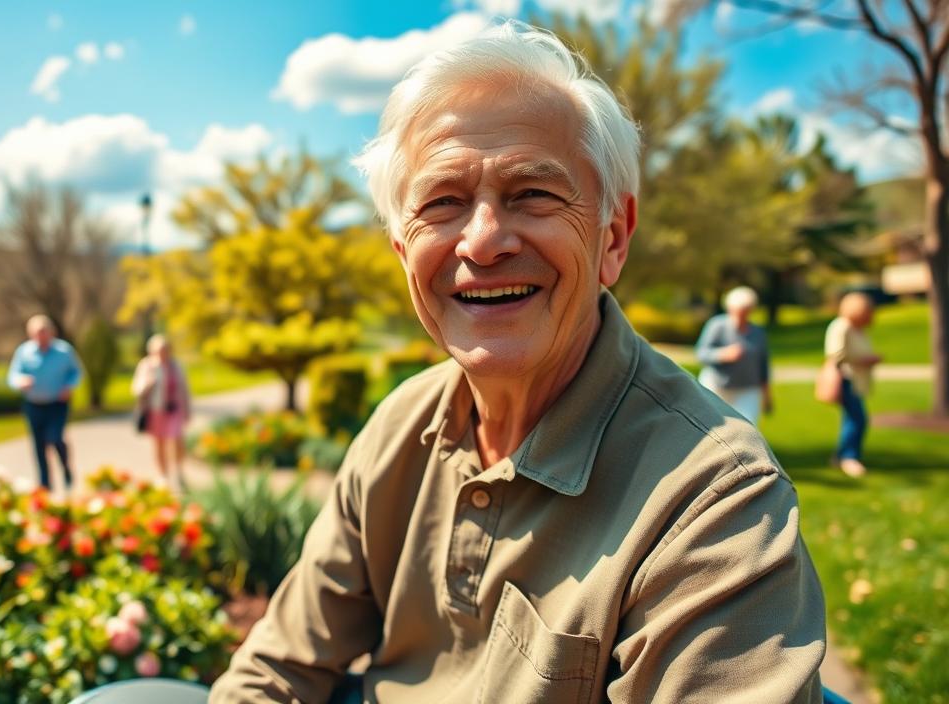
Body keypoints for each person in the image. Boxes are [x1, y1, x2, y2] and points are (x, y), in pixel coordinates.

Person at [211, 22, 824, 703]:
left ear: (613, 238)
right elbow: (276, 670)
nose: (482, 241)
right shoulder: (398, 429)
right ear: (403, 255)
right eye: (442, 203)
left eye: (533, 193)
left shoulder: (714, 503)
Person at [7, 314, 83, 494]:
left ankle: (66, 468)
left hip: (57, 403)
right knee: (39, 445)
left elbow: (76, 372)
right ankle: (45, 485)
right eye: (37, 333)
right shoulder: (24, 352)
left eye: (44, 332)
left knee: (55, 438)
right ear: (30, 334)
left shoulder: (64, 351)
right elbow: (13, 376)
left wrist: (69, 386)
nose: (41, 336)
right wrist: (20, 381)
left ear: (51, 332)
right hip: (34, 404)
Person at [695, 285, 772, 425]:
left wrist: (767, 395)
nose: (741, 315)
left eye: (745, 311)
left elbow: (763, 365)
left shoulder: (757, 332)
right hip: (717, 386)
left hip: (747, 390)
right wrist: (722, 354)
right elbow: (701, 353)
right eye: (738, 311)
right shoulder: (717, 326)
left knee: (747, 427)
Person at [825, 292, 882, 478]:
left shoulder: (857, 329)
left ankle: (842, 455)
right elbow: (836, 354)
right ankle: (849, 457)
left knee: (852, 418)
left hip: (855, 380)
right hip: (846, 379)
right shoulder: (842, 326)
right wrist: (865, 360)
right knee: (857, 418)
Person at [132, 334, 191, 491]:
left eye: (165, 350)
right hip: (156, 410)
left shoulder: (176, 366)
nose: (163, 353)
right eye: (159, 350)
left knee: (177, 441)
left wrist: (187, 409)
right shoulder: (147, 366)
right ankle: (162, 475)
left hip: (175, 409)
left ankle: (179, 471)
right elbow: (137, 389)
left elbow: (184, 389)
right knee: (159, 443)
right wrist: (149, 383)